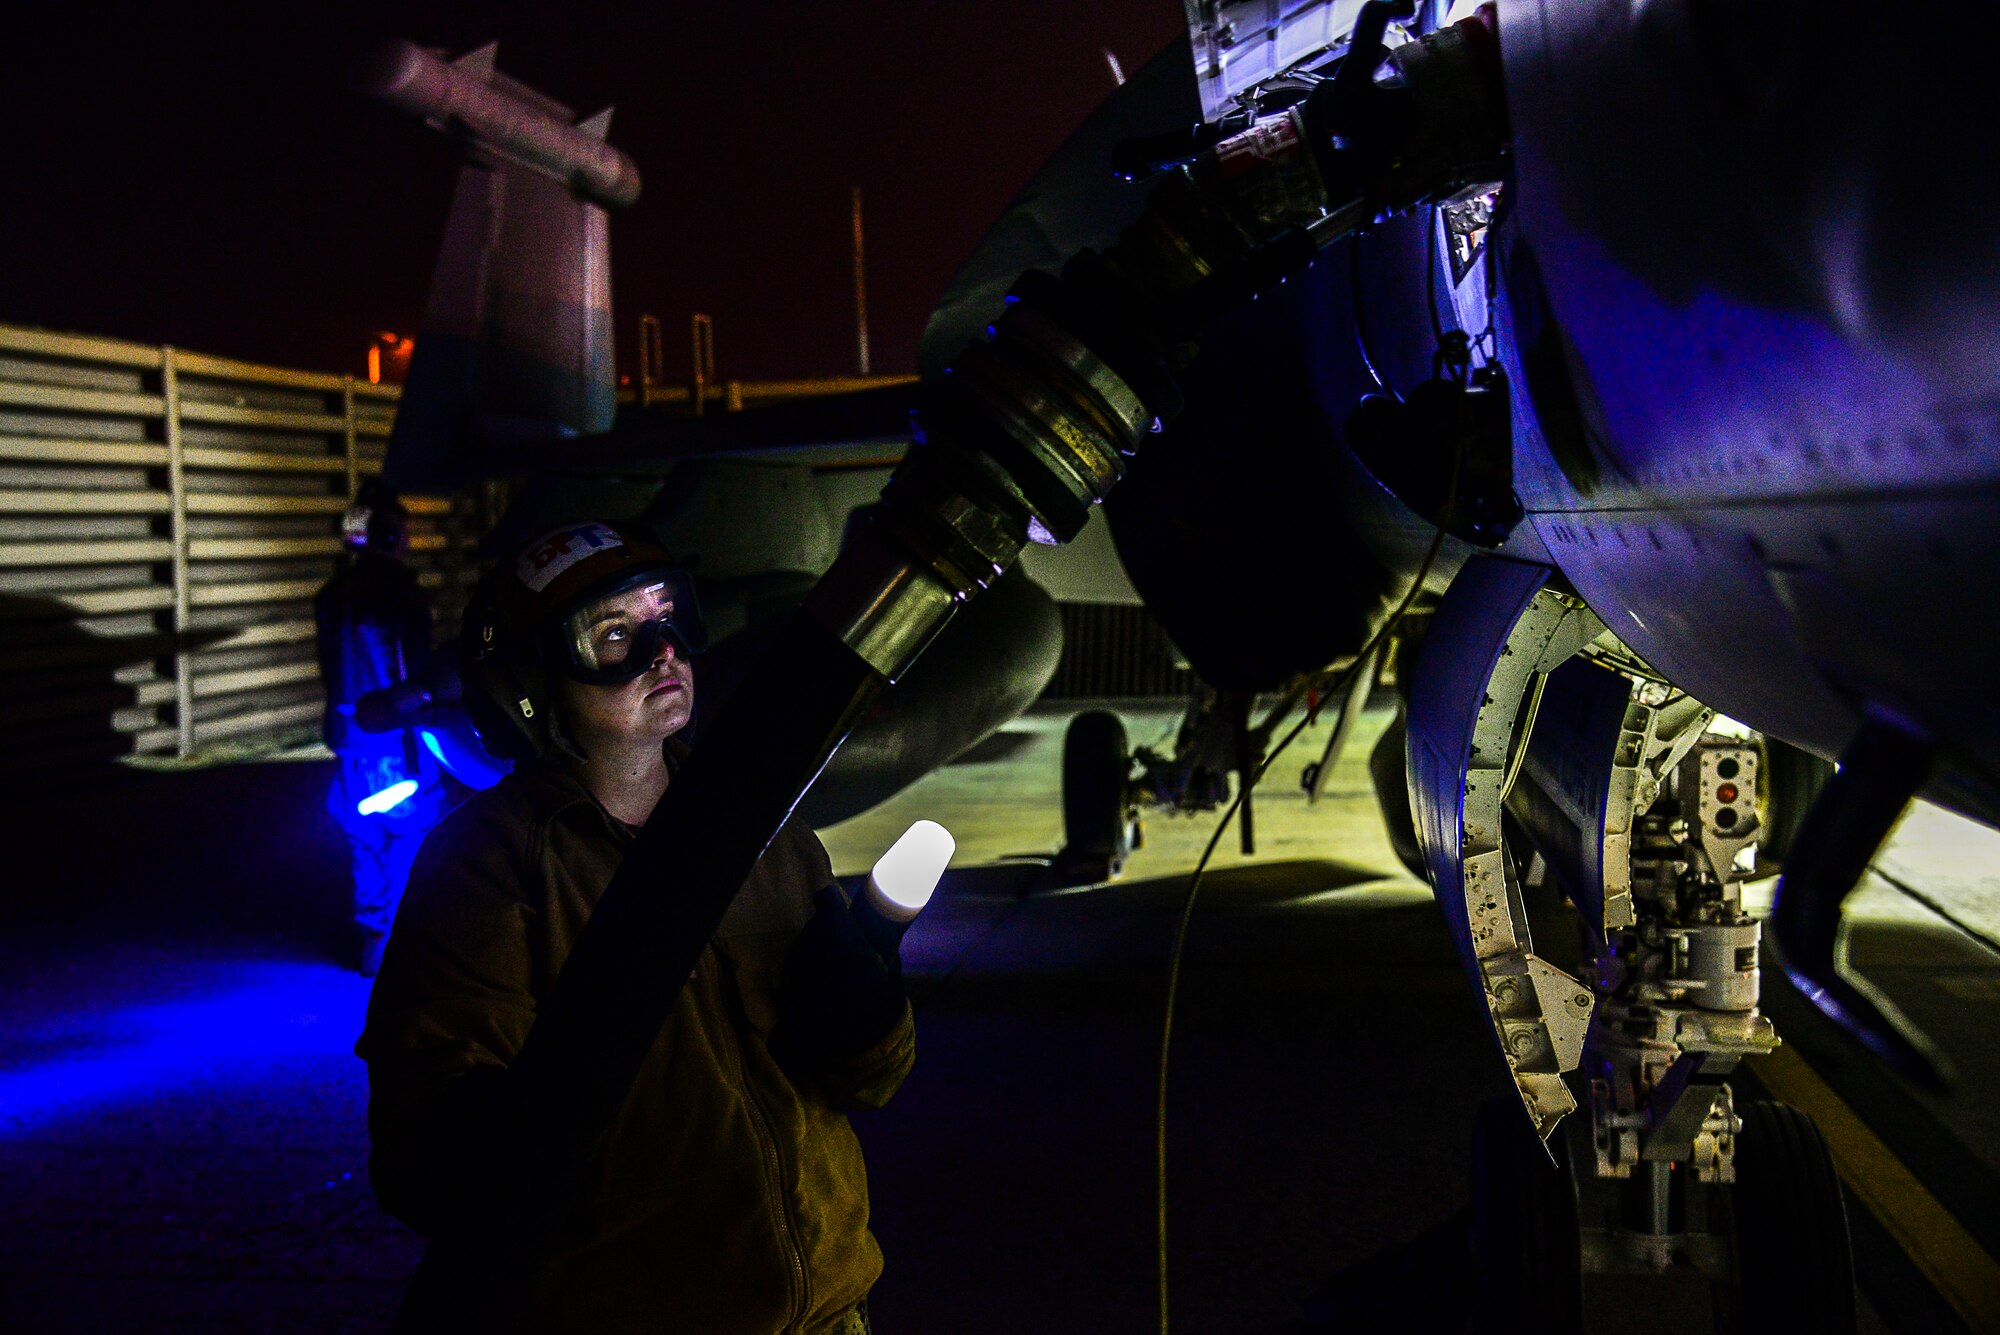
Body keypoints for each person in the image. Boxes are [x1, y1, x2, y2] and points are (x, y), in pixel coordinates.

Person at [356, 521, 913, 1334]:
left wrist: (871, 1019)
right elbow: (427, 1151)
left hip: (832, 1312)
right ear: (530, 685)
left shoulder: (760, 827)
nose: (663, 652)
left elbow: (870, 1078)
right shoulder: (488, 865)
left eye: (668, 618)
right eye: (615, 636)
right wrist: (500, 1142)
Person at [315, 478, 446, 976]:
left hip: (351, 737)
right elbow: (415, 670)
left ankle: (373, 939)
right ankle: (404, 941)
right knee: (411, 830)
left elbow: (330, 667)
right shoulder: (400, 596)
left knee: (363, 835)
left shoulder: (333, 595)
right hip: (396, 733)